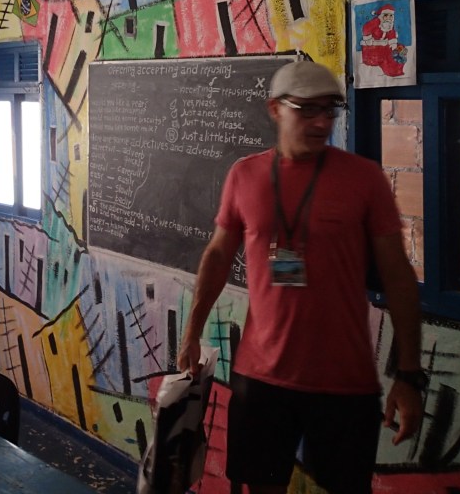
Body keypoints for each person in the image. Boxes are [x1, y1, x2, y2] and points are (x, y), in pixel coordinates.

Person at [177, 60, 424, 494]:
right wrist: (191, 333)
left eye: (330, 110)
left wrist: (409, 375)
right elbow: (217, 255)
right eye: (308, 109)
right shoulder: (245, 175)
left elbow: (399, 278)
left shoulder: (364, 179)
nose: (323, 122)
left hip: (345, 381)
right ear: (275, 109)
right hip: (261, 377)